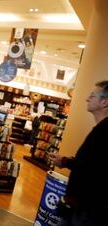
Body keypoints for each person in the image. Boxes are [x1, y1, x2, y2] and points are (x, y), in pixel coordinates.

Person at [49, 81, 108, 226]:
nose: (87, 99)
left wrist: (66, 162)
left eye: (92, 96)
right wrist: (66, 161)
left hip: (89, 211)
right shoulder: (101, 130)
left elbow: (95, 171)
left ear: (104, 102)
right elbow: (92, 163)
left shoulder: (105, 132)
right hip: (83, 208)